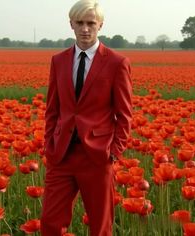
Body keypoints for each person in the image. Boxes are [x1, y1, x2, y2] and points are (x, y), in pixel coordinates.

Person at [41, 0, 132, 235]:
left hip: (98, 156)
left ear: (100, 25)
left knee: (100, 226)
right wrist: (49, 144)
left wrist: (115, 152)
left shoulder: (116, 63)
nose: (85, 29)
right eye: (79, 23)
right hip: (61, 155)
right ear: (71, 24)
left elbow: (124, 114)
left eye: (90, 23)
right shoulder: (58, 61)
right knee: (50, 223)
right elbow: (53, 109)